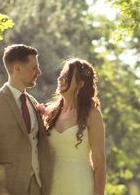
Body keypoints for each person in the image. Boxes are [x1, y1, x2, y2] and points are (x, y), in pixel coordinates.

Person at [0, 44, 50, 195]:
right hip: (6, 188)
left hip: (37, 187)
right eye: (34, 68)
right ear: (17, 68)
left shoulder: (33, 103)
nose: (39, 72)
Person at [43, 58, 106, 195]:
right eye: (61, 74)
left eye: (66, 76)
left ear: (80, 83)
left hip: (80, 185)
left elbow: (99, 163)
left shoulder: (92, 114)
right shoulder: (49, 113)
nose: (60, 78)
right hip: (50, 186)